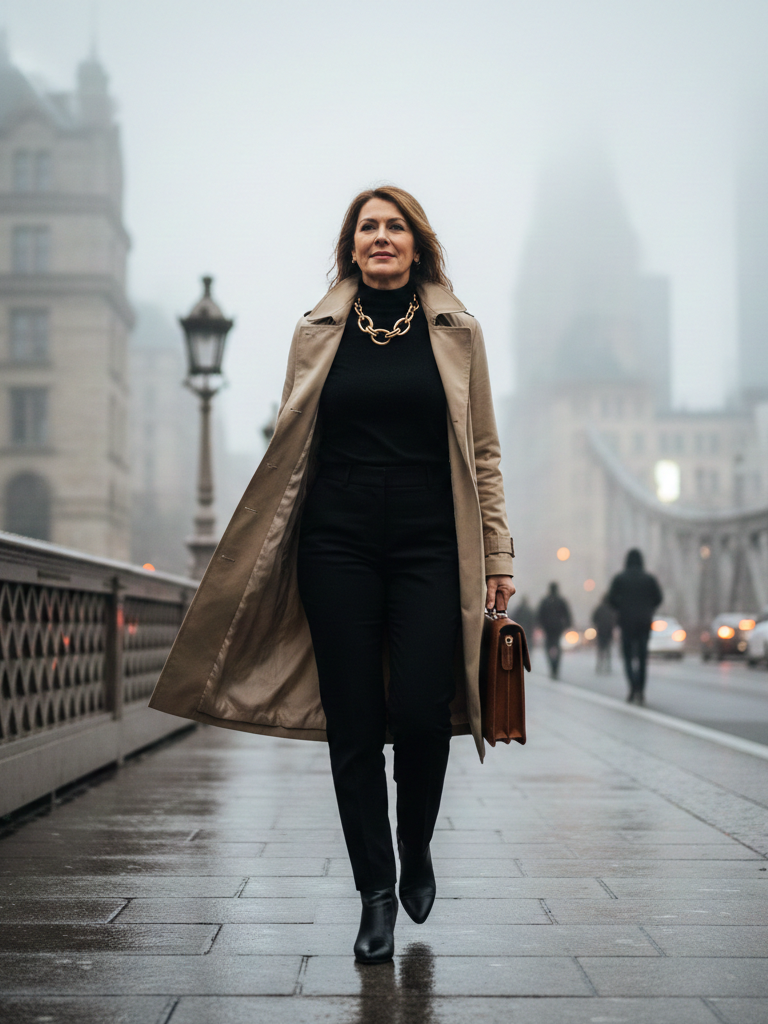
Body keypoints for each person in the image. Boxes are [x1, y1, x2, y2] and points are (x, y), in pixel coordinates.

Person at [148, 186, 515, 965]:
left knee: (421, 712)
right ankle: (376, 893)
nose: (381, 238)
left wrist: (499, 556)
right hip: (336, 540)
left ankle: (415, 844)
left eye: (396, 227)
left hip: (428, 539)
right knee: (353, 729)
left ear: (419, 244)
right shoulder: (317, 330)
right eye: (367, 228)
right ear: (351, 247)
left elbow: (482, 451)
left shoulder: (458, 330)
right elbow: (291, 445)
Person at [608, 549, 663, 704]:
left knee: (627, 656)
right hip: (644, 622)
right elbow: (658, 598)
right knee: (643, 657)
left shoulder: (620, 579)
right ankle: (641, 689)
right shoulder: (649, 579)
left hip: (626, 622)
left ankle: (632, 685)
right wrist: (648, 608)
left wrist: (621, 606)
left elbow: (611, 599)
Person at [536, 582, 572, 679]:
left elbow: (539, 615)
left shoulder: (545, 601)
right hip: (558, 628)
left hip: (547, 628)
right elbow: (567, 614)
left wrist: (540, 625)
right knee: (557, 646)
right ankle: (555, 667)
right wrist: (568, 625)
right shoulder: (561, 601)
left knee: (548, 647)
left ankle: (552, 666)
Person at [592, 595, 616, 674]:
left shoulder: (599, 609)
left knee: (600, 649)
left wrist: (597, 625)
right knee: (608, 649)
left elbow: (593, 618)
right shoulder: (612, 609)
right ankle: (608, 665)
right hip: (609, 632)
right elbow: (615, 620)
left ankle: (599, 665)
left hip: (600, 631)